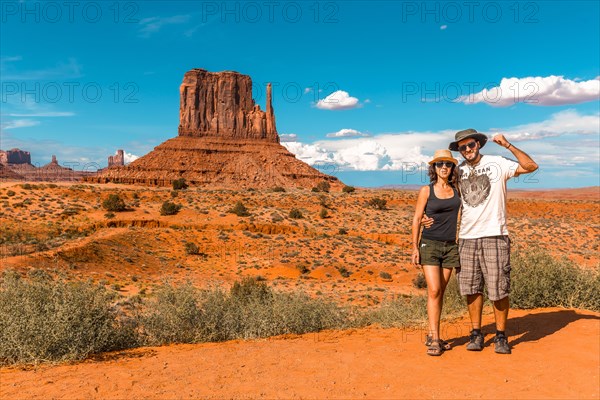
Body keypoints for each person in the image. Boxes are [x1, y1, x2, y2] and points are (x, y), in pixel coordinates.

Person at [448, 128, 538, 354]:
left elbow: (531, 166)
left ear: (478, 144)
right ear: (459, 150)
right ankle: (476, 333)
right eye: (462, 147)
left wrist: (508, 145)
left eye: (471, 145)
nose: (467, 150)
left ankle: (500, 336)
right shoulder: (457, 171)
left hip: (495, 234)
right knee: (471, 288)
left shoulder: (498, 163)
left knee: (499, 289)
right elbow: (443, 196)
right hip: (467, 237)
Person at [412, 149, 461, 356]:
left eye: (448, 164)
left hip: (450, 246)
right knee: (433, 290)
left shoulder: (457, 190)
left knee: (440, 291)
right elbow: (416, 218)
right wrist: (414, 247)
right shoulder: (427, 190)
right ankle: (434, 338)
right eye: (440, 164)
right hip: (430, 244)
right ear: (434, 168)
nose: (444, 167)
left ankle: (433, 332)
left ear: (452, 168)